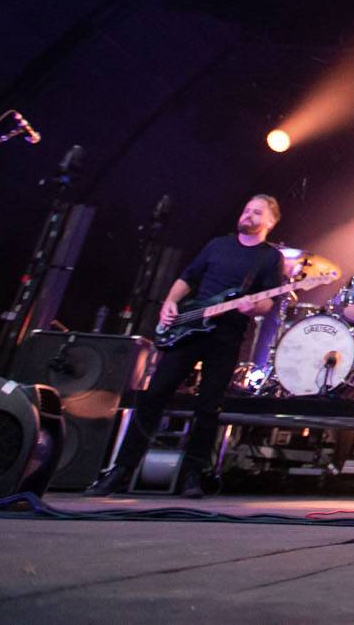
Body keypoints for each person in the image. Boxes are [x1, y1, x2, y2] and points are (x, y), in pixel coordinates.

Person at [85, 194, 287, 497]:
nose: (247, 215)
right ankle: (122, 470)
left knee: (208, 406)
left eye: (256, 213)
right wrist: (170, 302)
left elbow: (269, 302)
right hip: (188, 329)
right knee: (153, 396)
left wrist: (252, 307)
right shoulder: (217, 245)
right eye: (246, 210)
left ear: (269, 222)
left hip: (226, 335)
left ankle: (192, 474)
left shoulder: (269, 258)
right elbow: (188, 277)